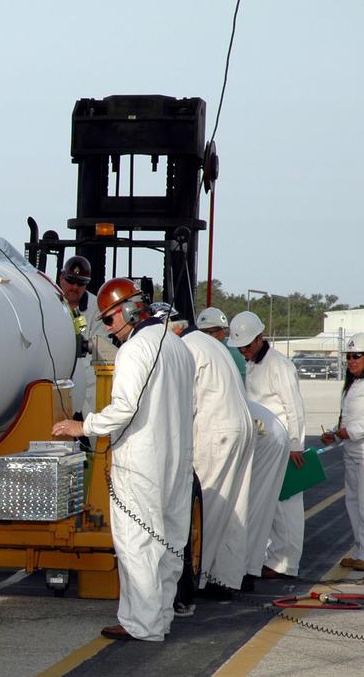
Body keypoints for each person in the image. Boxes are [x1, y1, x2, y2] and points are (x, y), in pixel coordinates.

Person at [52, 279, 194, 641]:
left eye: (111, 320)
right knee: (170, 542)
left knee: (138, 542)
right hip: (176, 459)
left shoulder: (135, 350)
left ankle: (143, 625)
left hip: (142, 461)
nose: (111, 330)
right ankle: (159, 617)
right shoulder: (177, 347)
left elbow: (124, 410)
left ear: (129, 310)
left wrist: (81, 426)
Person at [165, 309, 255, 598]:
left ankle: (197, 580)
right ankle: (227, 578)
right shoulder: (210, 344)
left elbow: (184, 402)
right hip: (240, 427)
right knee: (234, 506)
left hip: (217, 431)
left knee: (208, 505)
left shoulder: (186, 348)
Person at [229, 310, 307, 579]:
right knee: (269, 506)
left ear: (261, 338)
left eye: (248, 345)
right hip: (264, 444)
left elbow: (294, 407)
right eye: (240, 347)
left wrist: (296, 444)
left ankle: (286, 564)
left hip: (283, 444)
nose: (244, 351)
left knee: (286, 506)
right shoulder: (253, 364)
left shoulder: (279, 365)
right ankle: (273, 559)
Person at [320, 333, 364, 572]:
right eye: (349, 357)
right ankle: (362, 551)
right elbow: (350, 419)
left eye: (357, 356)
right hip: (352, 452)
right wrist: (334, 434)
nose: (352, 361)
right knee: (354, 504)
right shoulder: (354, 385)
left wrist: (349, 432)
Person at [243, 400, 291, 587]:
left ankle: (241, 573)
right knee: (259, 509)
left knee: (247, 509)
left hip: (264, 436)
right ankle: (248, 570)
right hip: (269, 432)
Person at [56, 256, 104, 415]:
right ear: (62, 278)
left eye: (81, 283)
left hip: (89, 382)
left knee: (94, 433)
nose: (74, 287)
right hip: (56, 377)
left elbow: (101, 345)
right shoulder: (50, 301)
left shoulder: (96, 308)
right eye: (70, 281)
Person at [195, 306, 246, 384]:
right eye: (201, 332)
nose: (203, 336)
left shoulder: (231, 353)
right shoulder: (201, 350)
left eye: (208, 332)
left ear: (222, 331)